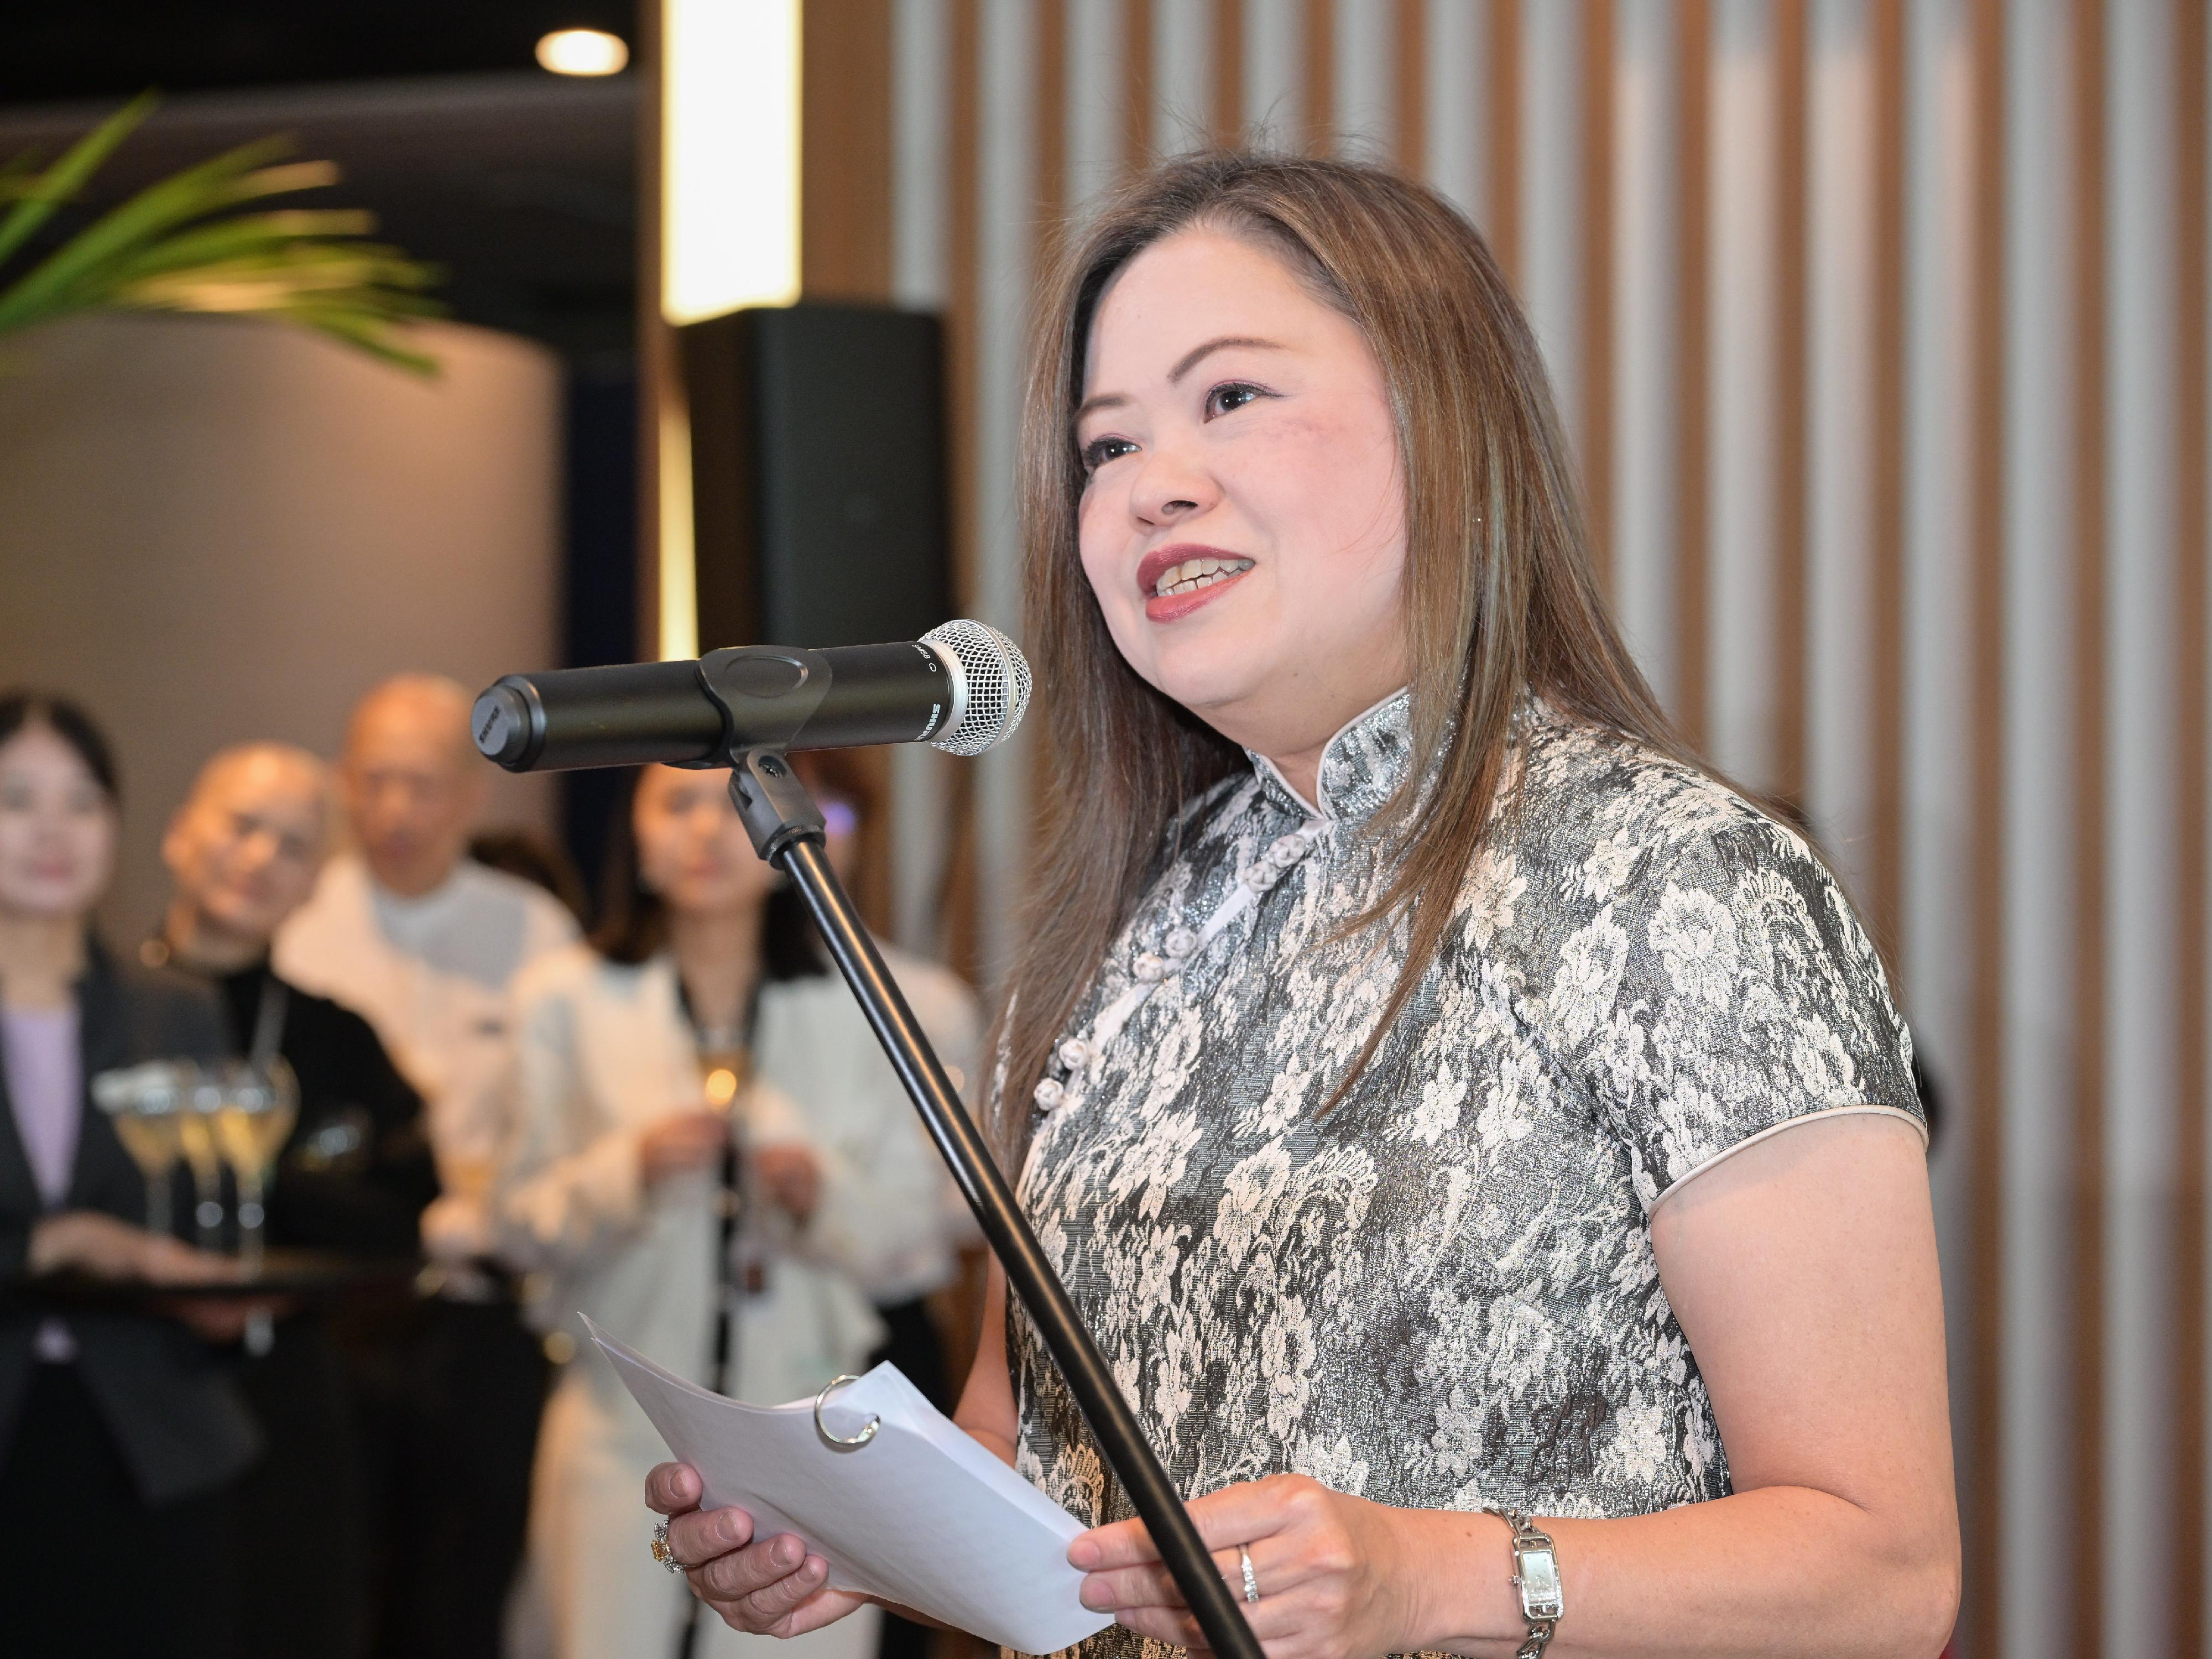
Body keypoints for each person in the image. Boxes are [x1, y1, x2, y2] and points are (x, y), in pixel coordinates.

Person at [649, 153, 1961, 1658]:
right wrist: (857, 1539)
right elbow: (1035, 1453)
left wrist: (1435, 1576)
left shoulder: (1682, 882)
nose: (1154, 483)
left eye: (1229, 400)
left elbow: (1882, 1577)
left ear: (1441, 423)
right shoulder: (1123, 928)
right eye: (1106, 445)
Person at [494, 762, 962, 1659]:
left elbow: (912, 1226)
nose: (708, 832)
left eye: (732, 806)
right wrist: (623, 1171)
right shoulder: (566, 996)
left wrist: (819, 1192)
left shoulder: (861, 996)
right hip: (617, 1420)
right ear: (634, 831)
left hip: (812, 1418)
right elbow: (514, 1220)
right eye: (677, 804)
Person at [275, 673, 578, 1659]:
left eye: (423, 784)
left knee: (464, 1594)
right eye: (374, 782)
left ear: (473, 793)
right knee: (326, 1589)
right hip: (329, 1314)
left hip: (481, 1313)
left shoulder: (535, 935)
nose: (395, 810)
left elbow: (567, 1128)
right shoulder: (297, 923)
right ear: (342, 784)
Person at [149, 740, 441, 1659]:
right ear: (179, 836)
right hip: (123, 1389)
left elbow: (406, 1214)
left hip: (291, 1397)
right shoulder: (104, 1008)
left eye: (292, 845)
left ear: (317, 881)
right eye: (241, 826)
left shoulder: (335, 1038)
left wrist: (278, 1182)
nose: (260, 858)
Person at [0, 691, 262, 1658]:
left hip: (156, 1441)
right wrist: (51, 1244)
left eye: (81, 802)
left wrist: (222, 1298)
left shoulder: (174, 1011)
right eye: (18, 800)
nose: (51, 832)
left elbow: (200, 1221)